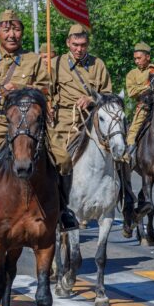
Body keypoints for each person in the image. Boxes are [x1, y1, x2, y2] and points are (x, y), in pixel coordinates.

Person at [0, 9, 79, 236]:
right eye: (7, 29)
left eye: (17, 29)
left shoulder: (33, 60)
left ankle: (63, 211)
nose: (12, 35)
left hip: (30, 122)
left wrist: (21, 88)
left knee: (64, 159)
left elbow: (45, 88)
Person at [48, 23, 113, 229]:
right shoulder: (55, 64)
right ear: (68, 43)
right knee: (58, 158)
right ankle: (58, 203)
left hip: (93, 118)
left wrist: (92, 99)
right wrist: (48, 105)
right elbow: (44, 91)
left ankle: (128, 200)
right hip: (65, 119)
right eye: (75, 44)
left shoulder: (98, 64)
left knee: (119, 152)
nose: (79, 49)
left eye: (83, 45)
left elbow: (108, 95)